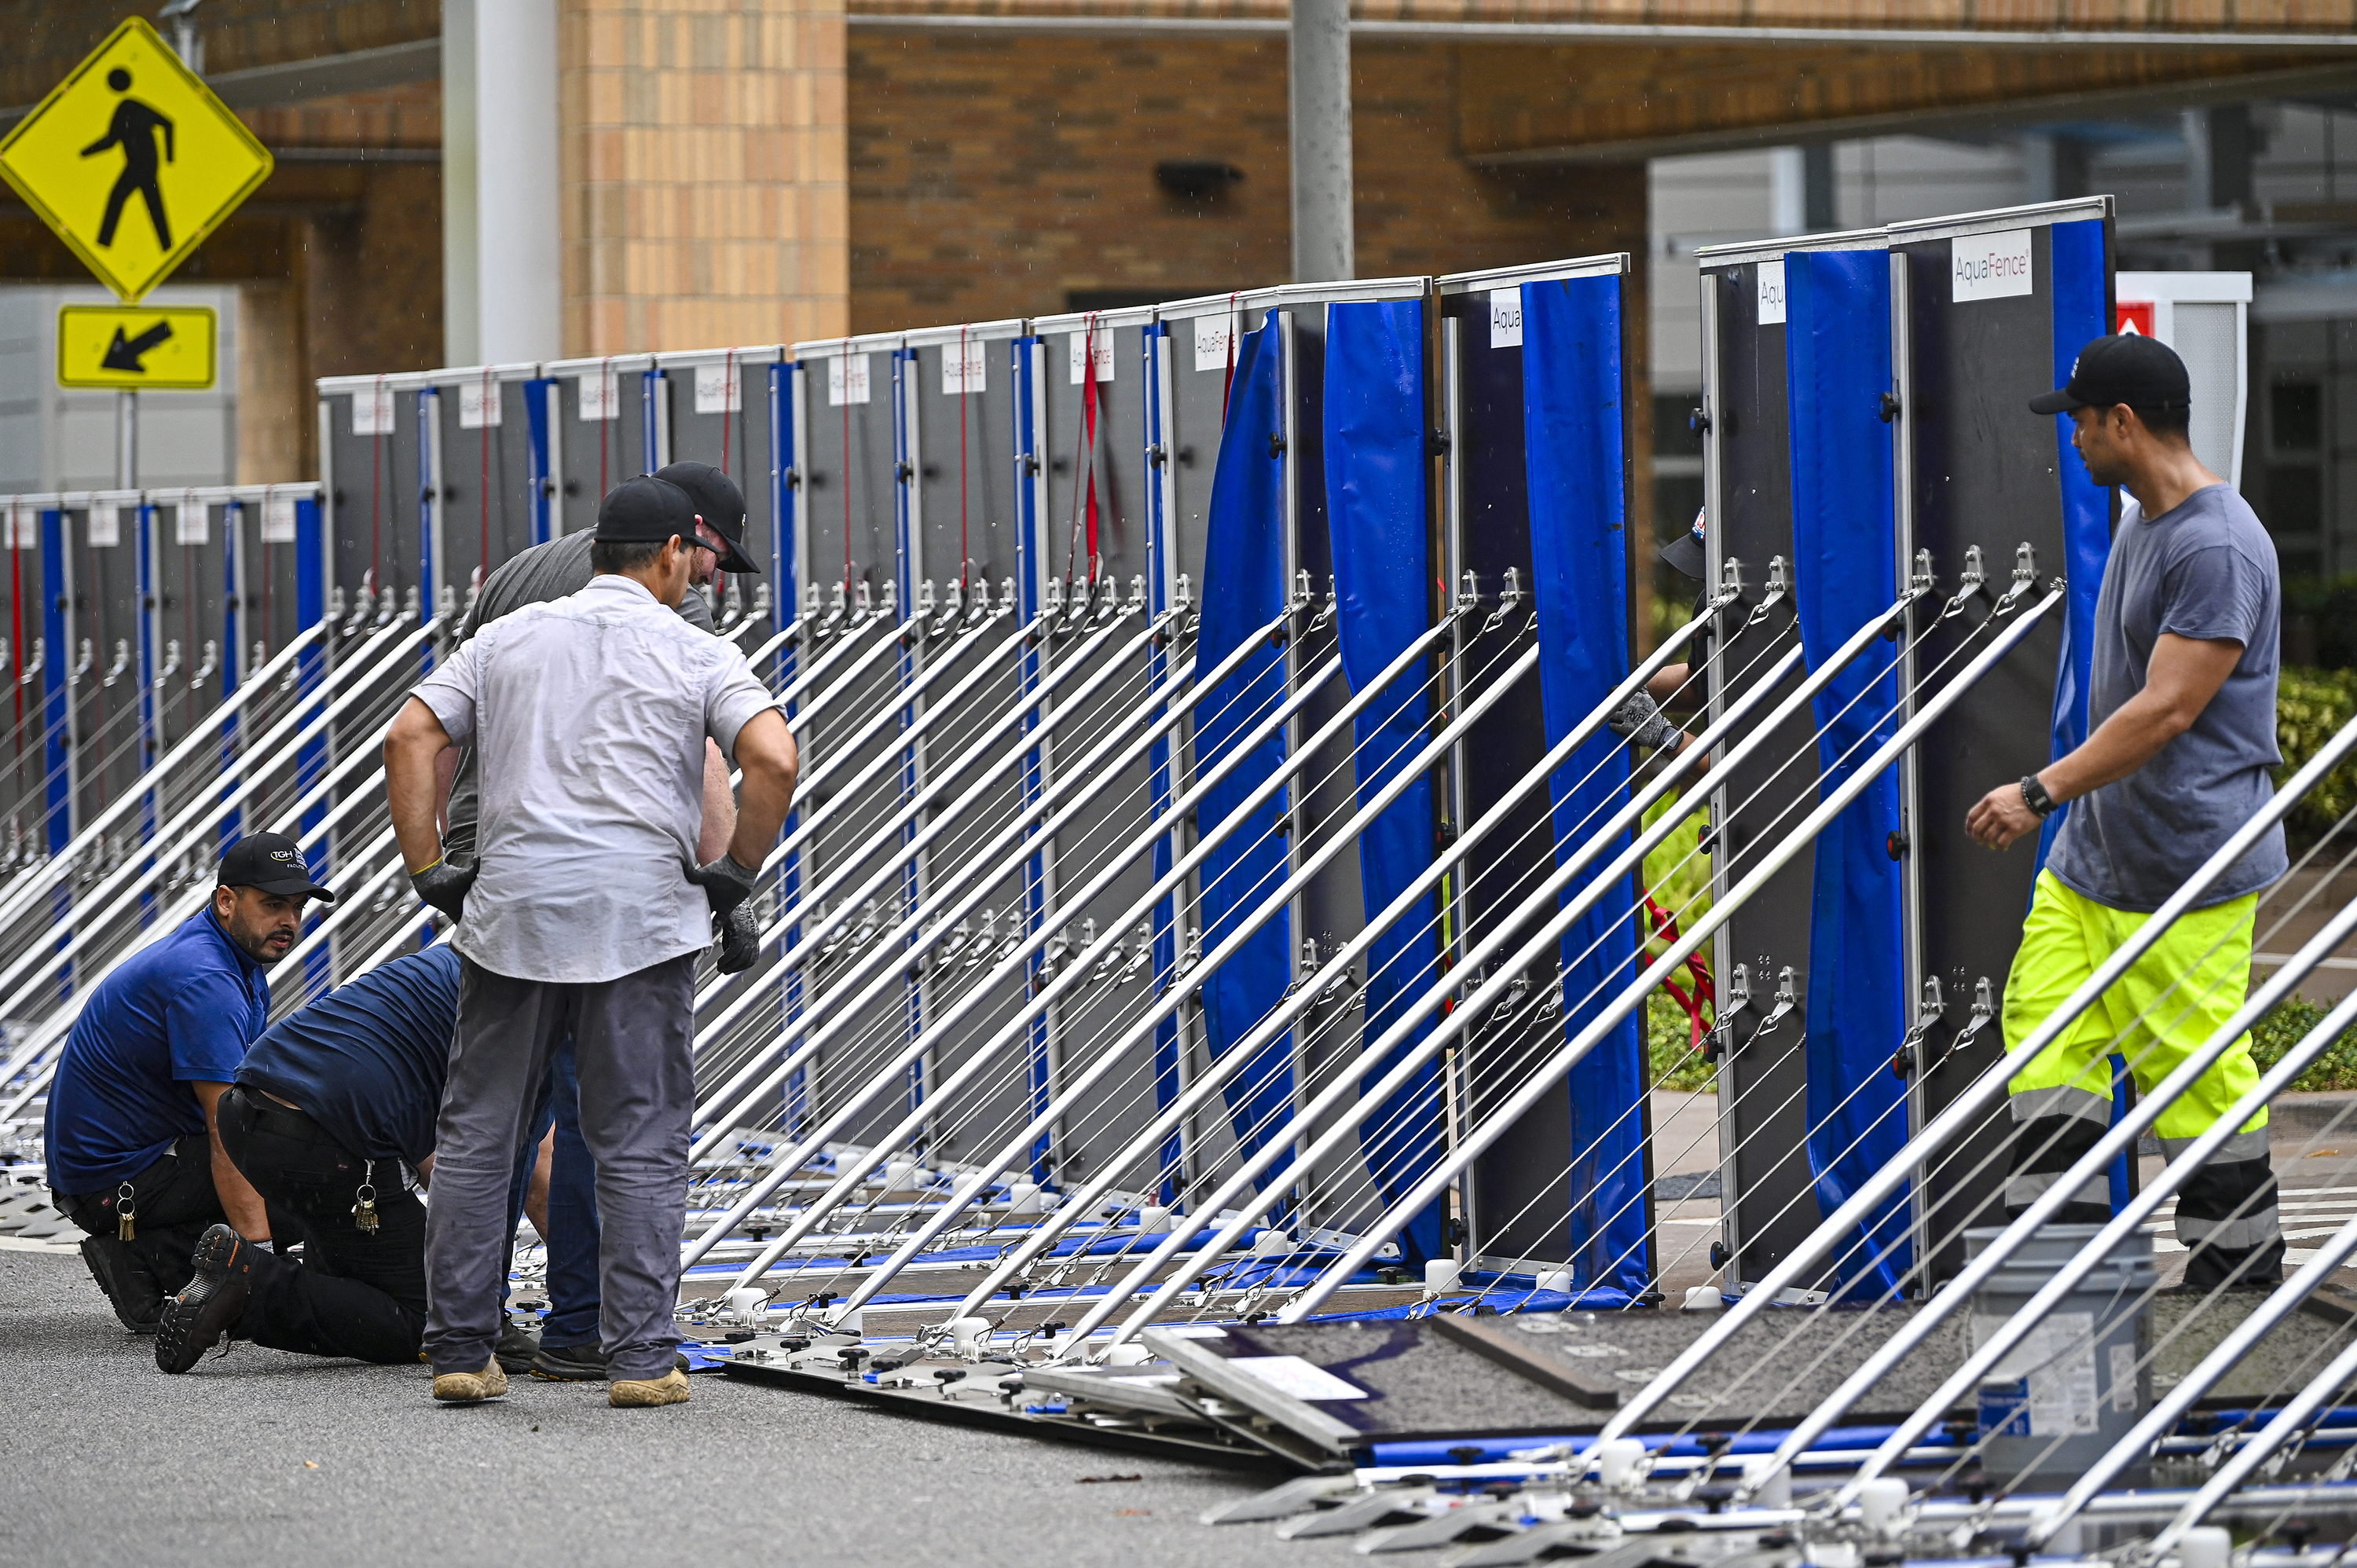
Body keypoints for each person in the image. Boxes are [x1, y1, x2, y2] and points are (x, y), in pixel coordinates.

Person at [384, 474, 799, 1409]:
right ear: (663, 556)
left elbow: (411, 739)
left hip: (511, 915)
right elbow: (771, 757)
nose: (699, 578)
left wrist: (429, 868)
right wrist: (737, 868)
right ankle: (641, 1361)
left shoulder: (504, 638)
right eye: (694, 562)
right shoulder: (697, 652)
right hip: (639, 923)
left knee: (480, 1131)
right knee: (640, 1139)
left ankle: (458, 1348)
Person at [1968, 332, 2286, 1289]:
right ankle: (2062, 1263)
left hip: (2187, 862)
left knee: (2189, 1071)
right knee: (2043, 1029)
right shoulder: (2144, 520)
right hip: (2096, 858)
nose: (2069, 436)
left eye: (2078, 420)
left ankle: (2238, 1271)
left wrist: (2039, 790)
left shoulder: (2218, 544)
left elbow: (2169, 707)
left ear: (2124, 422)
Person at [43, 833, 332, 1332]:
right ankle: (157, 1260)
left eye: (297, 908)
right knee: (318, 1181)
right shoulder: (206, 980)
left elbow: (254, 1090)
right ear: (226, 901)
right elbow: (228, 1131)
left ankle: (145, 1261)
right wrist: (258, 1261)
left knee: (314, 1145)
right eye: (273, 905)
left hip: (126, 1167)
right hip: (114, 1182)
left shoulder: (231, 955)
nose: (288, 922)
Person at [152, 946, 461, 1373]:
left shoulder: (438, 965)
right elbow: (536, 1164)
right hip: (319, 1141)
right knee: (434, 1319)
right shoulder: (523, 1002)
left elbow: (429, 1148)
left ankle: (304, 1279)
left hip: (248, 1112)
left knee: (371, 1246)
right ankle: (252, 1286)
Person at [1608, 508, 1714, 765]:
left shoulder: (1782, 634)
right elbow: (1705, 683)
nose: (1692, 577)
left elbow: (1745, 771)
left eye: (1706, 569)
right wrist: (1628, 684)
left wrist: (1662, 735)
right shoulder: (1712, 602)